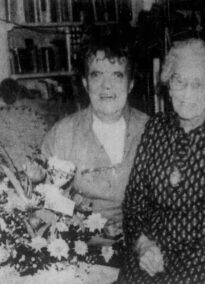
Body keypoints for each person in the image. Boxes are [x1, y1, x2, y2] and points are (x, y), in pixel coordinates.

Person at [117, 38, 205, 284]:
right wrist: (142, 244)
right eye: (179, 81)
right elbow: (134, 199)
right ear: (169, 85)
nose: (187, 93)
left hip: (201, 255)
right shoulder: (155, 128)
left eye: (198, 84)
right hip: (151, 252)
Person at [41, 31, 148, 238]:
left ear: (131, 83)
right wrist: (89, 226)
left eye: (117, 75)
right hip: (83, 247)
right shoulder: (62, 135)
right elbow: (47, 200)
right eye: (96, 75)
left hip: (145, 247)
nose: (106, 86)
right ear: (85, 82)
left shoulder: (152, 131)